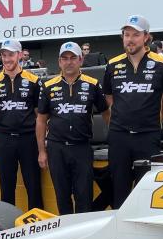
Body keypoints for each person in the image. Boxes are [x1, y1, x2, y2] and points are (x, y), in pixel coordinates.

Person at [102, 15, 163, 209]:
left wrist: (159, 119)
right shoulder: (112, 65)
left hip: (148, 135)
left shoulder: (162, 64)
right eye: (126, 34)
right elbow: (109, 97)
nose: (130, 39)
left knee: (147, 188)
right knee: (119, 188)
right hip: (119, 137)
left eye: (135, 34)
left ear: (146, 37)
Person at [37, 42, 109, 214]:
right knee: (62, 197)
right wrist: (41, 151)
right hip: (56, 148)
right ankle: (66, 233)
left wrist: (114, 140)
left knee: (84, 196)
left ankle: (83, 236)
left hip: (82, 147)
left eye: (73, 58)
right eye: (65, 58)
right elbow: (41, 120)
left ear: (80, 60)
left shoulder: (93, 84)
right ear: (59, 62)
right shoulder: (48, 86)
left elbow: (107, 114)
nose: (69, 62)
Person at [0, 39, 43, 211]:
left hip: (28, 139)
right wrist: (7, 124)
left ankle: (37, 227)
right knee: (6, 186)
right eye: (4, 55)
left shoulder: (34, 80)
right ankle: (7, 226)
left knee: (33, 185)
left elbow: (39, 113)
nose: (7, 59)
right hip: (4, 140)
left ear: (19, 55)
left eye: (10, 54)